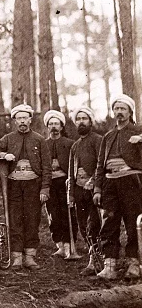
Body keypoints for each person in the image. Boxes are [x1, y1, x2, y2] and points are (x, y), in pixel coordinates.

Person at [0, 104, 51, 270]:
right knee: (14, 219)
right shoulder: (8, 138)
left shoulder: (39, 139)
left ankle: (30, 257)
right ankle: (16, 257)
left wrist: (45, 188)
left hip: (33, 185)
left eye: (25, 118)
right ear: (15, 121)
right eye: (19, 118)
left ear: (30, 119)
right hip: (13, 185)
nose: (22, 121)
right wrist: (3, 154)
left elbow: (47, 167)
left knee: (32, 219)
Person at [93, 94, 142, 280]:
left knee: (133, 222)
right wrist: (97, 189)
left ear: (130, 112)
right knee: (109, 222)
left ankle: (134, 263)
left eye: (123, 109)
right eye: (116, 109)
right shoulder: (108, 136)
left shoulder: (137, 130)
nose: (119, 112)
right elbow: (99, 165)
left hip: (131, 182)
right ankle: (110, 265)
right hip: (109, 183)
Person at [67, 106, 103, 276]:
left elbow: (101, 164)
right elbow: (70, 172)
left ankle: (100, 259)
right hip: (79, 190)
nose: (81, 122)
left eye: (84, 119)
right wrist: (71, 194)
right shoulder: (75, 146)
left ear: (90, 121)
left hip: (94, 189)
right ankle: (92, 258)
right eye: (78, 119)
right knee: (82, 226)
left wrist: (94, 182)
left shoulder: (98, 140)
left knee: (94, 224)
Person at [43, 110, 76, 259]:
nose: (53, 127)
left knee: (67, 213)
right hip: (50, 183)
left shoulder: (70, 144)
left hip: (65, 182)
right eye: (51, 124)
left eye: (56, 124)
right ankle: (60, 245)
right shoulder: (43, 144)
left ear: (62, 126)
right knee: (53, 214)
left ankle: (70, 246)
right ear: (47, 127)